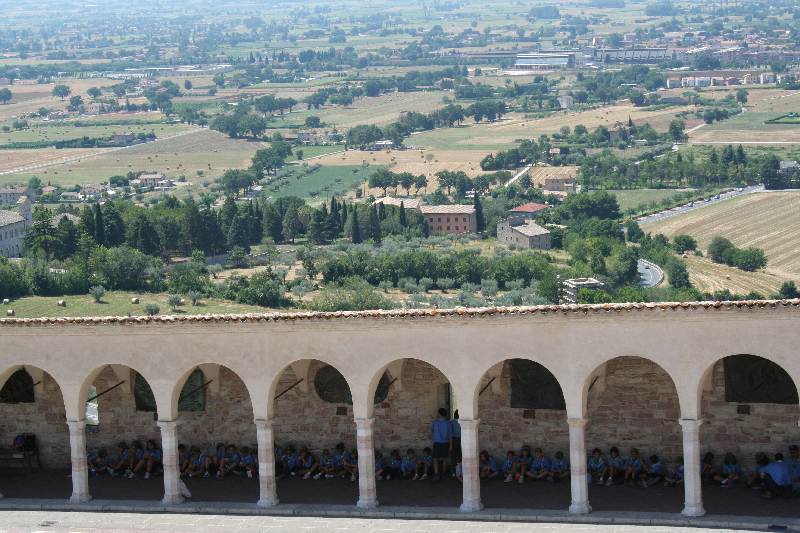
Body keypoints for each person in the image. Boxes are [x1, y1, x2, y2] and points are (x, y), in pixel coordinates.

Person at [431, 408, 452, 481]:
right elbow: (450, 435)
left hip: (437, 443)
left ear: (439, 414)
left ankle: (436, 474)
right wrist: (451, 446)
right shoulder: (448, 423)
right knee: (444, 459)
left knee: (435, 459)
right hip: (445, 443)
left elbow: (432, 431)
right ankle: (443, 474)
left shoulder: (434, 423)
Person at [450, 410, 462, 475]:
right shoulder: (462, 422)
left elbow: (450, 434)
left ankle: (453, 472)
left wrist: (450, 445)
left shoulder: (451, 422)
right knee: (460, 456)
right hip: (461, 439)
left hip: (453, 440)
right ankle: (460, 471)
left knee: (453, 457)